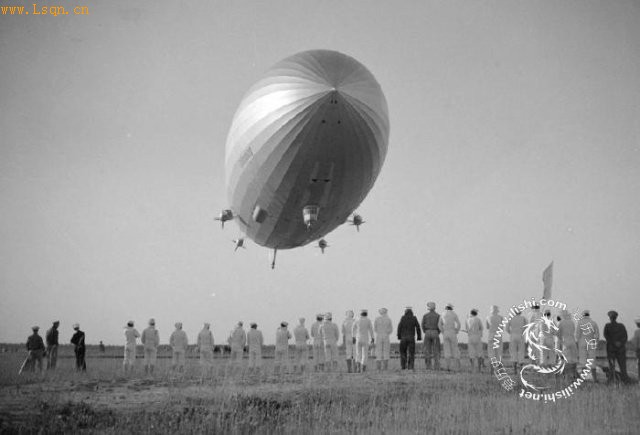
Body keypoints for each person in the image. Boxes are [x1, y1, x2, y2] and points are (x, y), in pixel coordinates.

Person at [603, 310, 630, 383]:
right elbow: (625, 336)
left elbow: (606, 336)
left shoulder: (607, 326)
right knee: (623, 366)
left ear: (610, 318)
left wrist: (614, 343)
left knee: (611, 366)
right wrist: (620, 343)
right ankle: (625, 380)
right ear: (616, 317)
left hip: (611, 349)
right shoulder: (621, 326)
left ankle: (612, 380)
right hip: (621, 349)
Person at [575, 310, 599, 382]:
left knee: (583, 361)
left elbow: (577, 335)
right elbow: (597, 335)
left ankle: (582, 379)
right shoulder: (594, 323)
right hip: (591, 342)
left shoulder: (580, 323)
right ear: (589, 315)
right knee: (592, 360)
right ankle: (595, 379)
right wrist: (595, 343)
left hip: (582, 343)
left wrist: (578, 343)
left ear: (583, 315)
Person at [438, 303, 461, 371]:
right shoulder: (454, 314)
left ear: (446, 307)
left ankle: (448, 367)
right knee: (455, 349)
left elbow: (439, 325)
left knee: (446, 350)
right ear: (451, 308)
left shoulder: (442, 314)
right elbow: (459, 324)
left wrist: (443, 331)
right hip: (452, 332)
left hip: (445, 333)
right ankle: (457, 367)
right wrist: (457, 330)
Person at [557, 310, 578, 381]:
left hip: (565, 342)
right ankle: (574, 375)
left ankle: (566, 377)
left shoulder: (561, 322)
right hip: (573, 341)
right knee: (574, 359)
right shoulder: (572, 322)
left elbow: (558, 334)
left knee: (566, 360)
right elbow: (573, 330)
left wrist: (559, 343)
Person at [421, 302, 441, 370]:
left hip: (427, 332)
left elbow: (422, 325)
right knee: (436, 350)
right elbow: (440, 325)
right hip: (435, 332)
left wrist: (425, 331)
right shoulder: (438, 316)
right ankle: (437, 366)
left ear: (429, 308)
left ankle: (428, 366)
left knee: (427, 350)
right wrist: (438, 332)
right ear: (434, 308)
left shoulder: (425, 315)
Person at [507, 309, 526, 374]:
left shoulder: (510, 318)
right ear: (520, 312)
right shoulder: (523, 318)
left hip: (513, 335)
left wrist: (511, 333)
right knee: (521, 352)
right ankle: (521, 369)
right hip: (521, 335)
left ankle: (514, 370)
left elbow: (507, 328)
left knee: (513, 352)